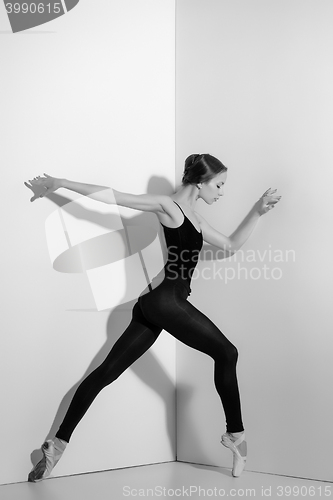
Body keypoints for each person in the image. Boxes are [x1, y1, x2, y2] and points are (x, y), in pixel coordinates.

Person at [25, 153, 281, 481]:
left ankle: (55, 446)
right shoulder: (168, 206)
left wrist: (257, 211)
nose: (221, 191)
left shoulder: (197, 219)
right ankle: (236, 435)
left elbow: (231, 245)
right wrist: (59, 184)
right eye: (219, 184)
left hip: (154, 303)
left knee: (105, 372)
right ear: (201, 182)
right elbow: (113, 197)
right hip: (166, 301)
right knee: (228, 352)